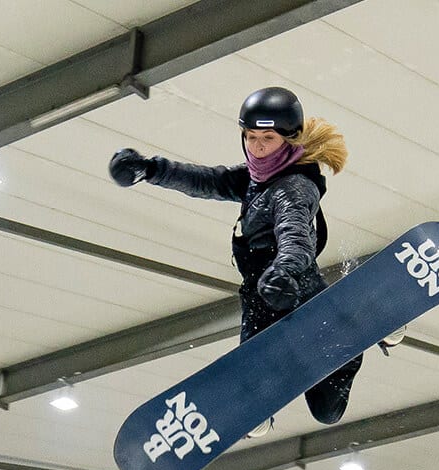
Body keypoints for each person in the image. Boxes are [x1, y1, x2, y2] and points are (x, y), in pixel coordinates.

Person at [108, 87, 400, 436]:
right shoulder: (255, 178)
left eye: (268, 138)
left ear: (288, 140)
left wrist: (285, 270)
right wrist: (150, 170)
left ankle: (364, 326)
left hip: (297, 293)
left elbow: (296, 238)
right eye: (251, 136)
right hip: (259, 300)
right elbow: (206, 180)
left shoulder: (293, 187)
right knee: (284, 403)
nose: (258, 147)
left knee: (328, 411)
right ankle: (256, 408)